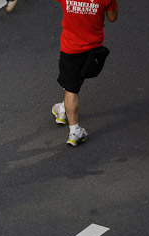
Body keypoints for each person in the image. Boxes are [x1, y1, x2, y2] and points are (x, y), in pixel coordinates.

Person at [51, 0, 118, 147]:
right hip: (94, 49)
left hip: (71, 48)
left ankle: (74, 131)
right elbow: (112, 18)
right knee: (75, 79)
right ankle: (63, 108)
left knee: (71, 87)